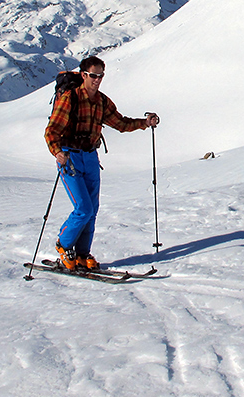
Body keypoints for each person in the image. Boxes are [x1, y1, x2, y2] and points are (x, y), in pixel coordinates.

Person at [44, 55, 160, 271]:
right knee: (83, 208)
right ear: (83, 75)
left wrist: (144, 123)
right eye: (93, 75)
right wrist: (57, 151)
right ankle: (64, 244)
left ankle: (81, 254)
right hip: (69, 157)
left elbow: (121, 123)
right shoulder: (70, 98)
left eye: (101, 76)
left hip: (90, 157)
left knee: (92, 209)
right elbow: (52, 130)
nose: (97, 80)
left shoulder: (102, 101)